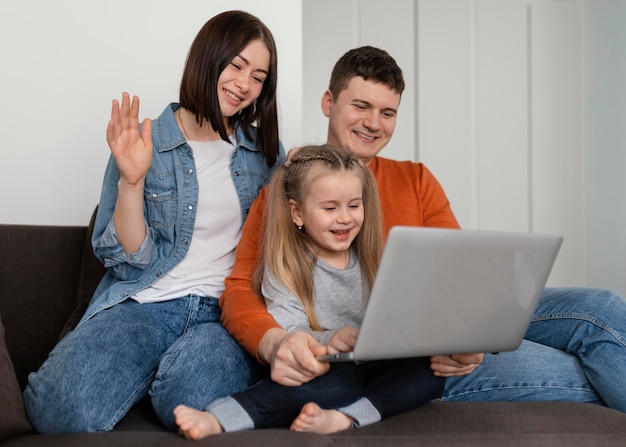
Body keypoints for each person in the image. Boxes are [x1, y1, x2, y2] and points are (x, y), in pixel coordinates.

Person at [220, 45, 626, 424]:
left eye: (388, 112)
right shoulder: (287, 191)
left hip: (439, 327)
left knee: (602, 308)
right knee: (580, 368)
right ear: (329, 103)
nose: (373, 123)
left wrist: (470, 339)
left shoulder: (415, 178)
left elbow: (461, 277)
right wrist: (273, 342)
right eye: (360, 106)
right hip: (393, 354)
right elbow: (239, 287)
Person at [23, 10, 286, 433]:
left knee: (188, 402)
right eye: (236, 65)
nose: (244, 84)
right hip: (146, 303)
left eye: (258, 76)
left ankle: (156, 374)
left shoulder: (266, 153)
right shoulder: (147, 141)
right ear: (208, 57)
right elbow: (129, 263)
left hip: (222, 313)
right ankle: (139, 367)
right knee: (58, 412)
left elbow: (279, 249)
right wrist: (132, 181)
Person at [173, 144, 445, 440]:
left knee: (431, 371)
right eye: (330, 208)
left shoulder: (372, 259)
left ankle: (346, 417)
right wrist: (331, 340)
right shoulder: (288, 266)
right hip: (320, 366)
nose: (345, 218)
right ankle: (219, 418)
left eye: (354, 206)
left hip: (373, 362)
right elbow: (292, 331)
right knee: (340, 381)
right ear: (297, 213)